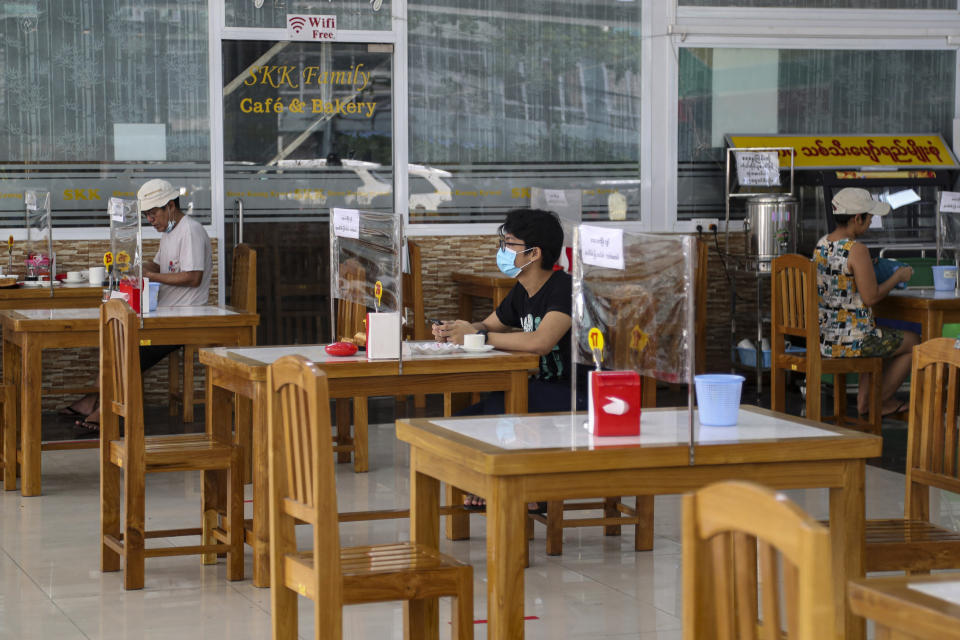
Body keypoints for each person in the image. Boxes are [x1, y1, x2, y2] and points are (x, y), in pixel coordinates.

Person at [433, 208, 584, 511]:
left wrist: (478, 338)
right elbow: (489, 325)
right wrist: (457, 329)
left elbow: (541, 342)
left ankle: (527, 491)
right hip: (545, 388)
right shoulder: (522, 290)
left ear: (534, 253)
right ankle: (494, 486)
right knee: (460, 424)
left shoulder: (564, 289)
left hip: (579, 394)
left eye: (510, 243)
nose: (502, 250)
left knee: (500, 408)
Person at [63, 179, 213, 430]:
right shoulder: (169, 232)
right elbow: (158, 266)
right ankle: (96, 401)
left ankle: (110, 410)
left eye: (153, 214)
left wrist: (150, 275)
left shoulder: (190, 230)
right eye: (146, 215)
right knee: (115, 337)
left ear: (171, 206)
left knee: (128, 347)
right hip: (165, 314)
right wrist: (136, 267)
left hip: (184, 317)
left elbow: (192, 277)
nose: (150, 220)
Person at [814, 187, 919, 418]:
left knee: (876, 332)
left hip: (826, 338)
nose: (871, 221)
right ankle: (879, 401)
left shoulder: (821, 244)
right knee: (914, 343)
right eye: (869, 217)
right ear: (856, 218)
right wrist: (897, 277)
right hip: (854, 340)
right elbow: (871, 297)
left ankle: (865, 402)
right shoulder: (856, 250)